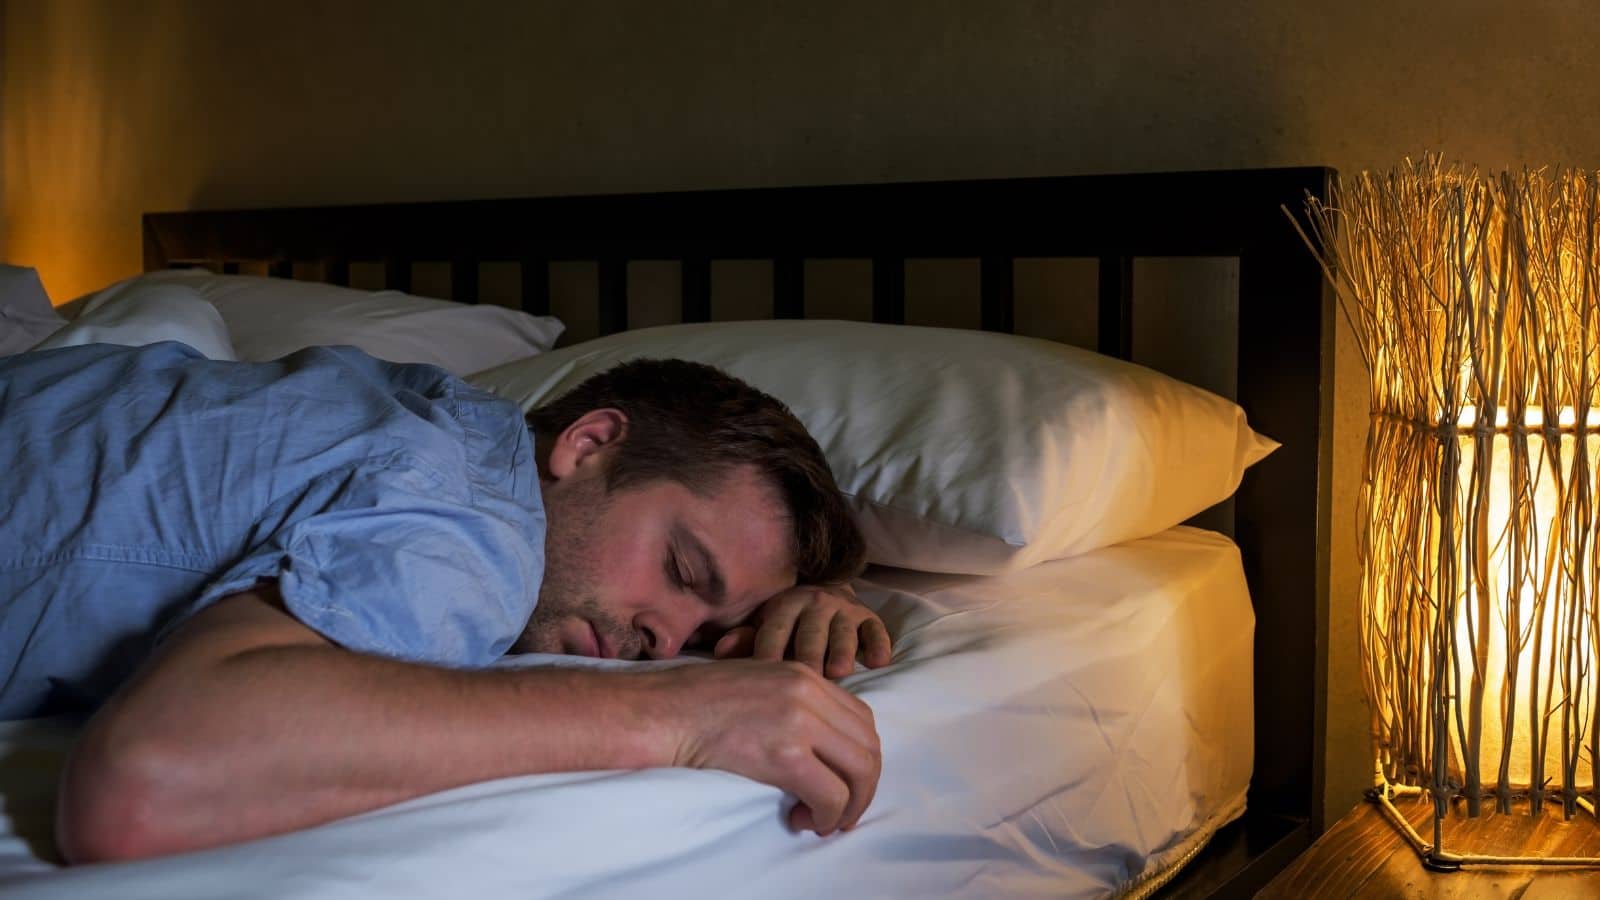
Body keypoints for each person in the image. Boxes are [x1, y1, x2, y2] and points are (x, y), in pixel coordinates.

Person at [0, 340, 890, 864]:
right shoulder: (476, 527)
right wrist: (677, 716)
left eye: (710, 631)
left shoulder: (439, 425)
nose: (668, 642)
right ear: (587, 444)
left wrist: (819, 591)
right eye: (684, 572)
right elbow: (148, 783)